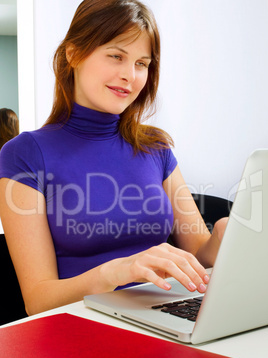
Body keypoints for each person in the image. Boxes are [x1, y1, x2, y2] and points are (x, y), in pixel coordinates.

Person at [0, 0, 227, 316]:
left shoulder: (156, 147)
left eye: (141, 63)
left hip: (164, 314)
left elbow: (199, 257)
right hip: (84, 326)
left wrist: (223, 237)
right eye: (116, 56)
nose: (130, 76)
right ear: (74, 53)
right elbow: (38, 299)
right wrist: (118, 272)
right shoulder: (25, 154)